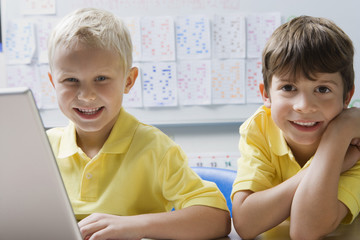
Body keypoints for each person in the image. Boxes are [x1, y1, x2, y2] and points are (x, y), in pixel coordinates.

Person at [46, 8, 230, 240]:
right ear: (53, 82)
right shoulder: (43, 148)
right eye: (71, 80)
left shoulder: (155, 148)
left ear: (129, 80)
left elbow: (217, 218)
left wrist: (133, 226)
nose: (87, 96)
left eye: (101, 79)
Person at [231, 16, 360, 240]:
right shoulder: (260, 127)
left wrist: (339, 134)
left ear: (347, 96)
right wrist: (333, 162)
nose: (304, 106)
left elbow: (306, 231)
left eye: (322, 89)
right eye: (288, 87)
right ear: (266, 94)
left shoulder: (354, 141)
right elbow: (246, 223)